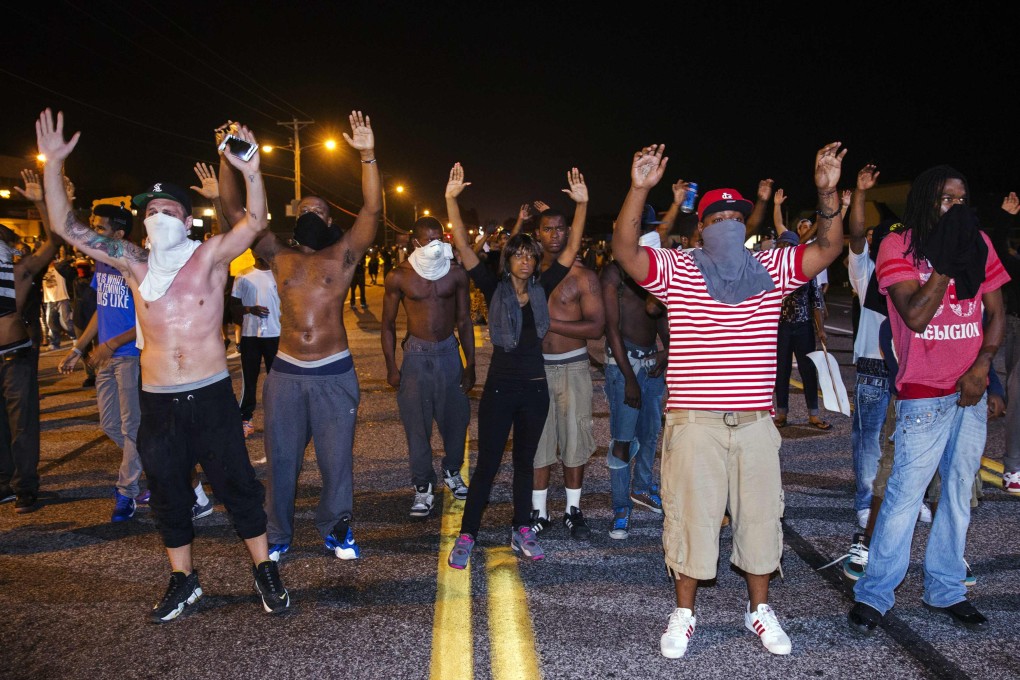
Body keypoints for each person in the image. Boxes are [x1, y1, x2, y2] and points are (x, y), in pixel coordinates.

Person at [37, 108, 290, 620]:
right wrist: (53, 166)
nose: (157, 216)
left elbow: (257, 222)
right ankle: (183, 578)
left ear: (184, 217)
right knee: (169, 494)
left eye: (167, 208)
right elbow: (67, 227)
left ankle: (264, 568)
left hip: (211, 394)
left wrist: (251, 171)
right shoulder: (133, 262)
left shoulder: (211, 256)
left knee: (239, 487)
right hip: (159, 403)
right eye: (150, 211)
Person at [611, 141, 847, 658]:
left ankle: (758, 610)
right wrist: (640, 188)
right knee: (691, 518)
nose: (726, 223)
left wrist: (828, 192)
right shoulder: (678, 268)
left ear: (747, 225)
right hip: (695, 422)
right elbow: (625, 251)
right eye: (716, 216)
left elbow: (828, 248)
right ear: (701, 228)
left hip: (756, 421)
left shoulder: (772, 269)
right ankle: (684, 614)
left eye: (735, 215)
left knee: (761, 518)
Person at [848, 165, 1009, 635]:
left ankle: (946, 589)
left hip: (969, 394)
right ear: (924, 202)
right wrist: (942, 261)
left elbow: (997, 313)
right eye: (945, 200)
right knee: (902, 497)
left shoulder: (979, 244)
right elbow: (915, 316)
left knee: (958, 495)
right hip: (922, 396)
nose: (956, 209)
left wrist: (983, 369)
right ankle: (875, 595)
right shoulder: (898, 246)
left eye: (962, 200)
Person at [218, 111, 380, 565]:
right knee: (282, 461)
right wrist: (229, 162)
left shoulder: (343, 255)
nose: (311, 215)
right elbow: (236, 213)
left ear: (331, 220)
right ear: (294, 217)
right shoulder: (276, 254)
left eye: (320, 211)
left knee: (335, 463)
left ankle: (336, 528)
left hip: (333, 373)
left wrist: (367, 156)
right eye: (304, 210)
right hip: (287, 373)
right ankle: (278, 532)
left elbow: (371, 210)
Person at [445, 163, 587, 569]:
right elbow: (466, 249)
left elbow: (573, 247)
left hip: (535, 389)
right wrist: (451, 200)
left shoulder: (545, 287)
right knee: (488, 465)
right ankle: (468, 534)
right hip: (500, 389)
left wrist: (582, 205)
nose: (525, 261)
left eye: (530, 255)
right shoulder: (493, 289)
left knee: (526, 463)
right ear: (508, 260)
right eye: (518, 255)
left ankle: (521, 528)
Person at [381, 216, 474, 517]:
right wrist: (391, 367)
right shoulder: (400, 276)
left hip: (449, 352)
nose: (435, 244)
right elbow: (387, 324)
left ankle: (452, 472)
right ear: (415, 242)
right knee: (416, 427)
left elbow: (464, 320)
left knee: (456, 421)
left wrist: (470, 364)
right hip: (416, 356)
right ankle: (423, 486)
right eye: (429, 238)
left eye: (439, 238)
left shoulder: (456, 274)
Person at [58, 203, 145, 522]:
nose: (93, 233)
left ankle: (128, 492)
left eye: (100, 228)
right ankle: (153, 466)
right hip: (105, 358)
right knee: (111, 424)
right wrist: (79, 348)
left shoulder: (135, 266)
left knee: (131, 426)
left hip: (130, 357)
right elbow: (101, 310)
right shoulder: (102, 264)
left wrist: (111, 344)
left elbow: (148, 319)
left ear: (119, 235)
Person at [527, 199, 603, 540]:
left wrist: (548, 322)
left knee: (575, 439)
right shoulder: (527, 273)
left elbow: (596, 327)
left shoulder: (583, 276)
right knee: (539, 441)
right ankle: (538, 512)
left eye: (560, 228)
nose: (554, 235)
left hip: (573, 367)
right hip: (537, 368)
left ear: (569, 232)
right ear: (537, 234)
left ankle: (573, 510)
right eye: (547, 228)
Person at [600, 209, 669, 539]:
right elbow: (611, 329)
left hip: (652, 361)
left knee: (651, 431)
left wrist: (666, 352)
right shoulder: (614, 273)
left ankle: (641, 487)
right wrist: (629, 377)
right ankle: (620, 507)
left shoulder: (656, 269)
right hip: (622, 364)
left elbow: (664, 319)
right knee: (623, 440)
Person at [0, 169, 65, 514]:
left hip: (14, 356)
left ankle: (25, 487)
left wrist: (42, 202)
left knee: (21, 423)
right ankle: (6, 483)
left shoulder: (20, 270)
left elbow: (54, 242)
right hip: (11, 357)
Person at [771, 191, 830, 430]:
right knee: (781, 370)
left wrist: (821, 330)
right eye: (782, 244)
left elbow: (816, 301)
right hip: (781, 327)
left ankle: (813, 414)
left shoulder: (806, 271)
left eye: (789, 245)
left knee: (808, 370)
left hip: (804, 326)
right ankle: (781, 413)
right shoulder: (773, 271)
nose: (785, 247)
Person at [229, 256, 281, 438]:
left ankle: (278, 419)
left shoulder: (279, 275)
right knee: (249, 379)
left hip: (275, 334)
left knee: (276, 381)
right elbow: (233, 307)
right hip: (250, 335)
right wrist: (249, 309)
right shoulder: (243, 276)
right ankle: (246, 419)